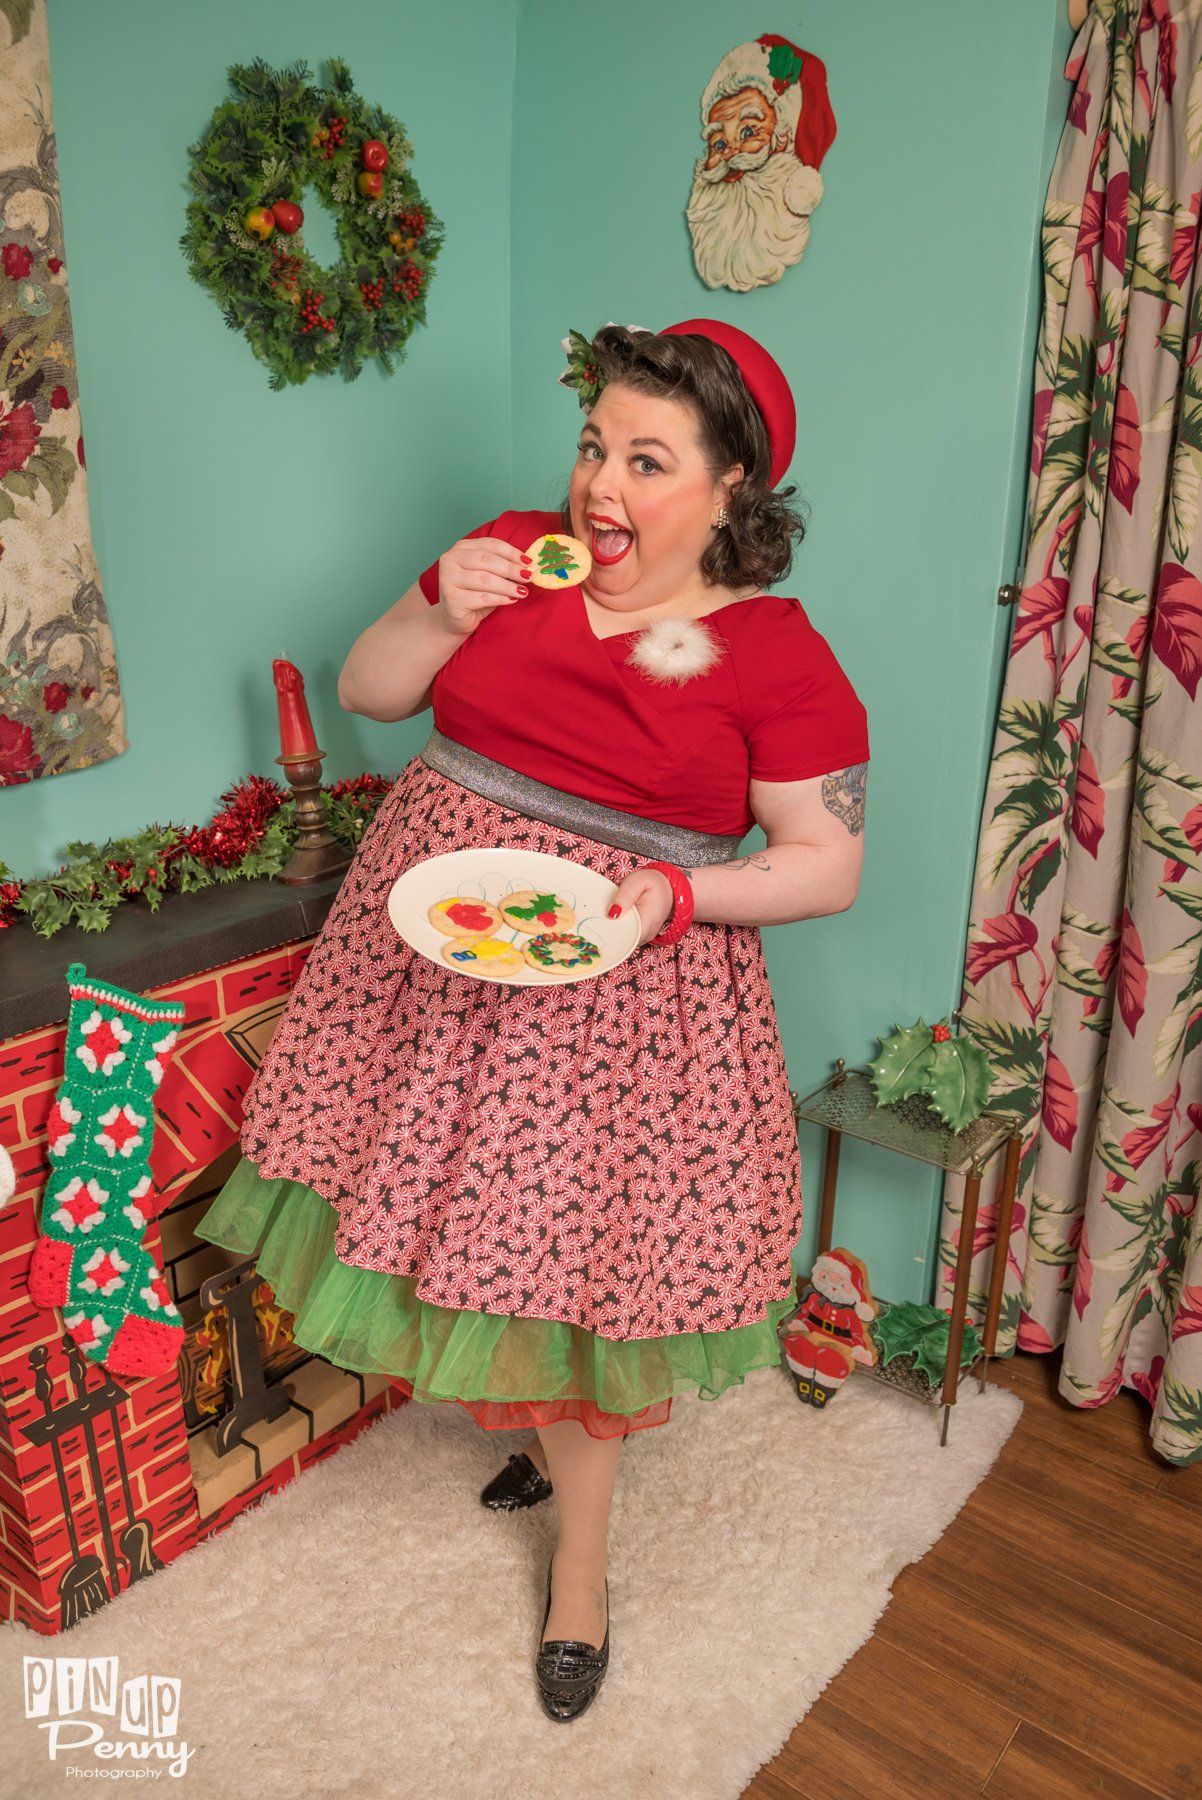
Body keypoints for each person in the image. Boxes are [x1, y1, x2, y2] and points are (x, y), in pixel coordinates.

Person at [193, 318, 870, 1722]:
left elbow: (827, 861)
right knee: (452, 1228)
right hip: (430, 960)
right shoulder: (505, 557)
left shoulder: (773, 654)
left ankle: (581, 1573)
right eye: (590, 446)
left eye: (645, 458)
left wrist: (669, 904)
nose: (597, 488)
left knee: (572, 1273)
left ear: (733, 484)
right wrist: (440, 602)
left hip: (617, 992)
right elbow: (373, 694)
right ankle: (535, 1442)